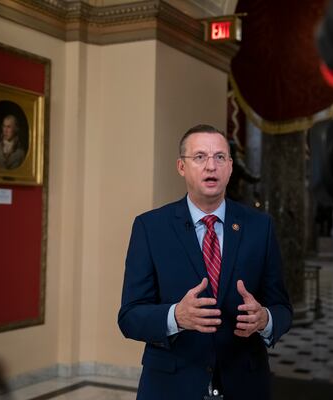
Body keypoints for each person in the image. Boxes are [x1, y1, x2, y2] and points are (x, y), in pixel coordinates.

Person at [118, 124, 292, 400]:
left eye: (220, 157)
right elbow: (129, 317)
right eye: (200, 157)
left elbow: (282, 308)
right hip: (171, 386)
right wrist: (176, 316)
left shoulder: (261, 227)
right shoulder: (150, 228)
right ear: (181, 167)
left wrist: (265, 319)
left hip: (245, 384)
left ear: (231, 167)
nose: (211, 166)